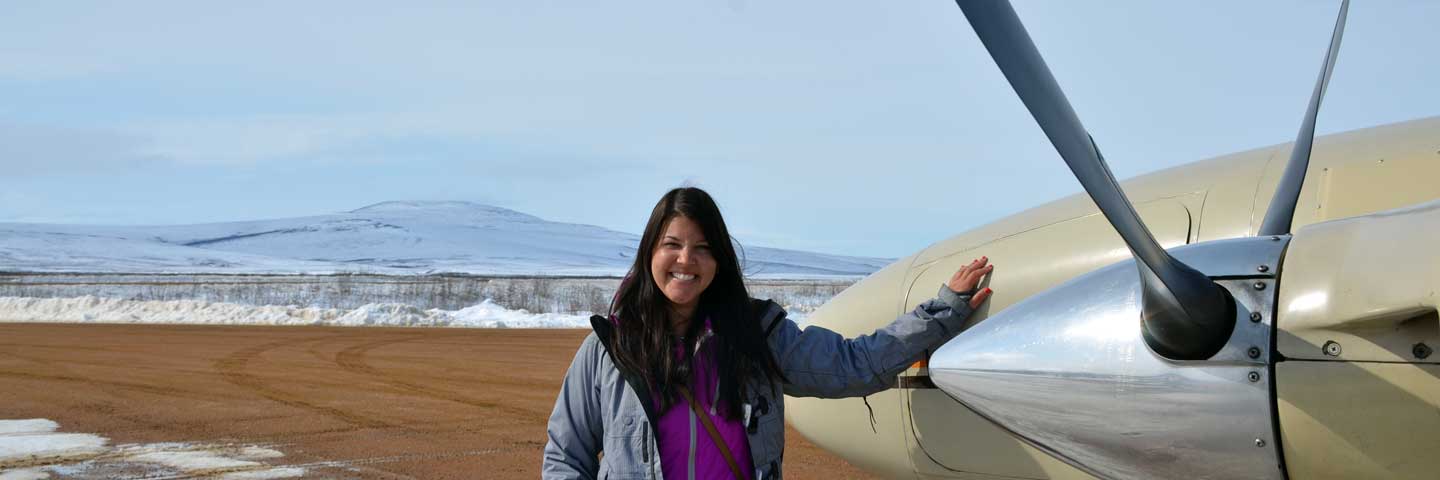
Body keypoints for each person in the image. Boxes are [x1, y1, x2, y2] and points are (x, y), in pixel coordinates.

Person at [542, 187, 992, 480]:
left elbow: (856, 365)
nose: (686, 260)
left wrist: (943, 311)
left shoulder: (760, 337)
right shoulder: (610, 350)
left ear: (719, 262)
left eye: (702, 248)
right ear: (649, 254)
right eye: (672, 245)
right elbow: (566, 457)